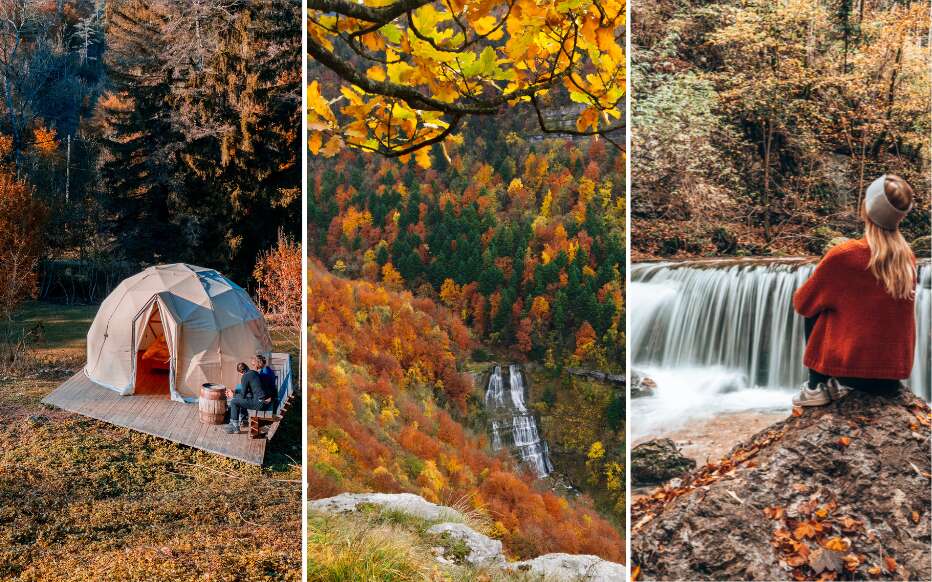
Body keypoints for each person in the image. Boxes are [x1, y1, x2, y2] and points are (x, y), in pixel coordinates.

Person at [792, 174, 917, 406]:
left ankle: (815, 386)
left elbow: (802, 304)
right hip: (892, 376)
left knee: (818, 305)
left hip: (850, 372)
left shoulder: (845, 256)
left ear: (866, 209)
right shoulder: (907, 258)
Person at [224, 362, 274, 433]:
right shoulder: (254, 373)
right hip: (265, 401)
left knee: (234, 402)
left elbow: (242, 396)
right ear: (247, 367)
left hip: (260, 404)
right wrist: (235, 392)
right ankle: (244, 419)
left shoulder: (245, 377)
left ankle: (234, 427)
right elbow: (247, 392)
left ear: (241, 372)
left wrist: (233, 395)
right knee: (243, 398)